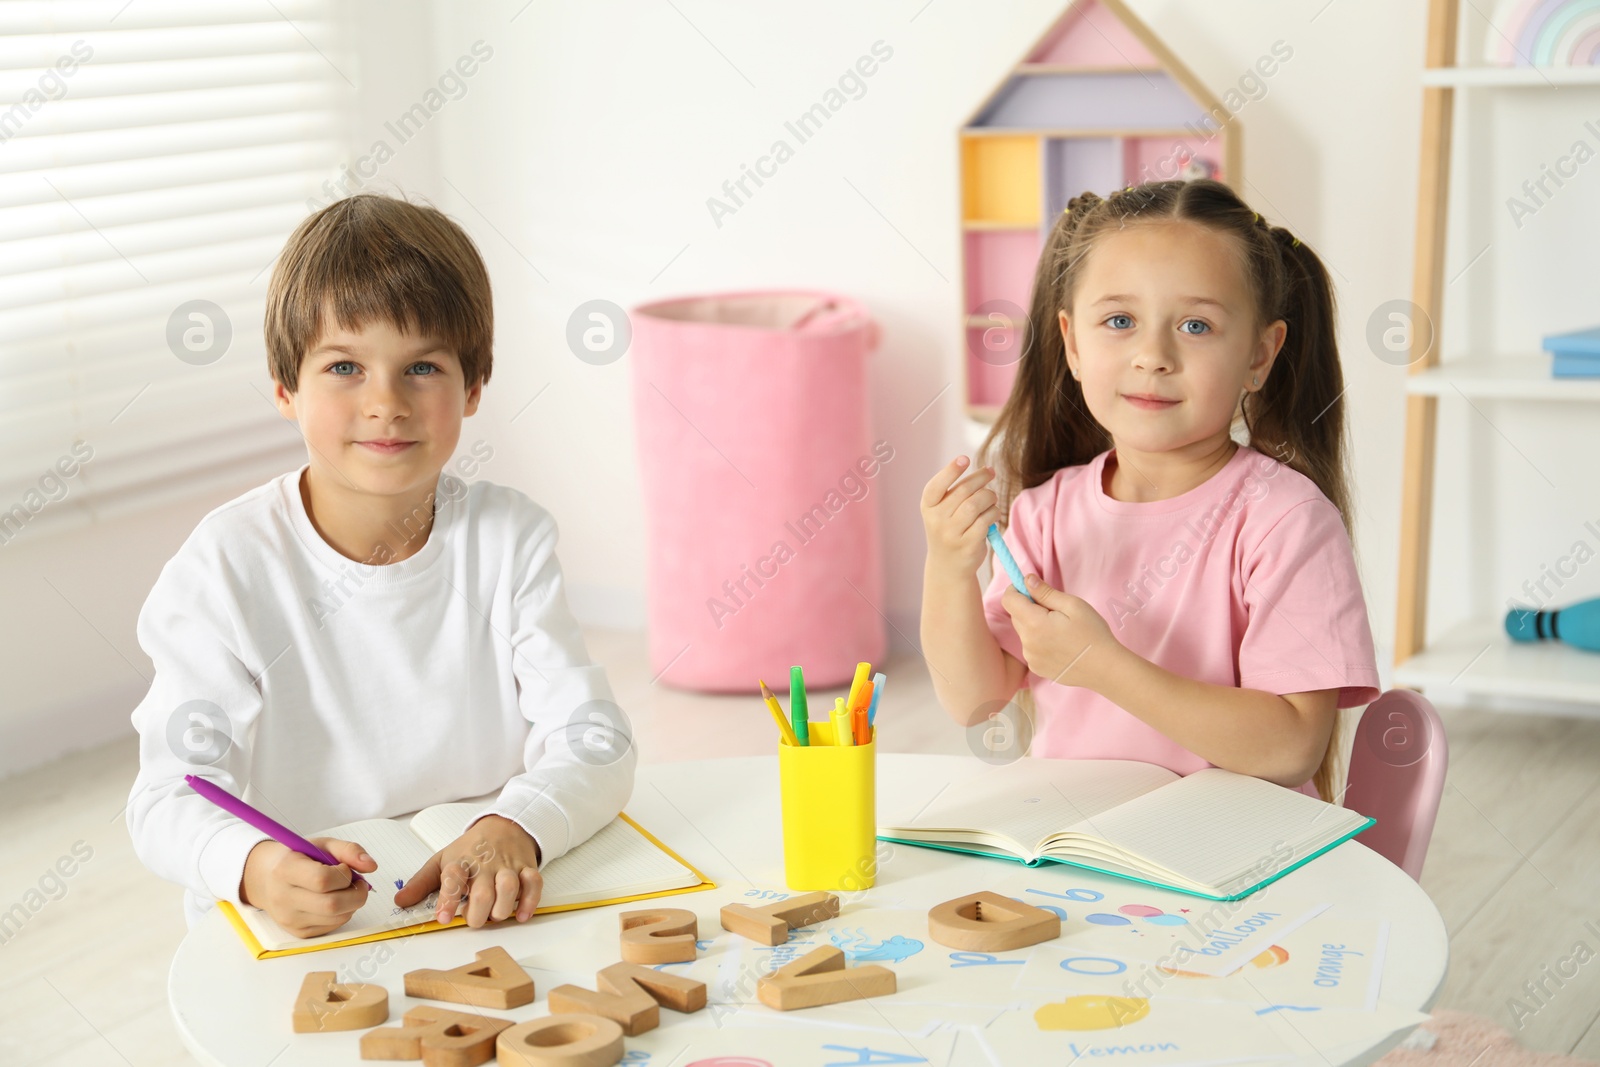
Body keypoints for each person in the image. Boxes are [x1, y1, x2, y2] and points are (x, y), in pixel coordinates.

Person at [126, 193, 635, 936]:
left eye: (421, 366)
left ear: (472, 389)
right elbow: (168, 796)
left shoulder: (510, 537)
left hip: (475, 908)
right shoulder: (224, 565)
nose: (385, 403)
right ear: (284, 390)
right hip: (308, 926)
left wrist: (516, 824)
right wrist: (257, 866)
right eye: (344, 366)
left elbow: (595, 739)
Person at [920, 179, 1381, 802]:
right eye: (1119, 320)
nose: (1153, 355)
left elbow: (1292, 745)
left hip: (1239, 862)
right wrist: (948, 569)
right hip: (1086, 851)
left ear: (1260, 355)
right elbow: (978, 703)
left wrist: (1104, 668)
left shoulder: (1286, 520)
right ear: (1073, 343)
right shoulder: (1044, 515)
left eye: (1196, 324)